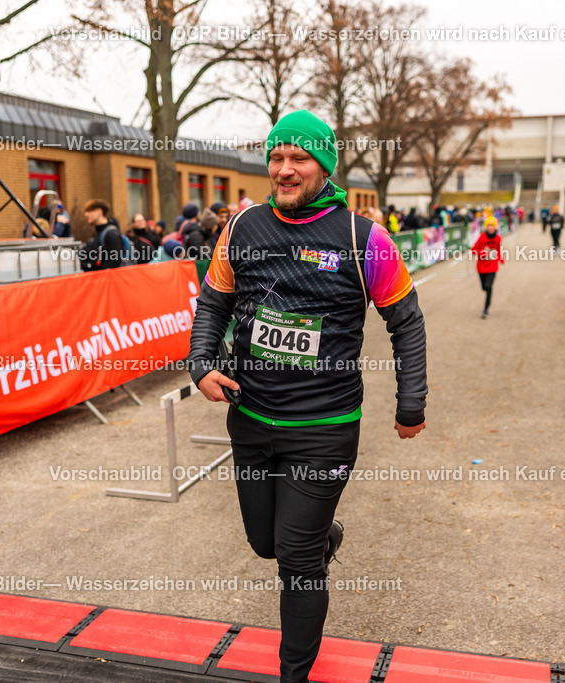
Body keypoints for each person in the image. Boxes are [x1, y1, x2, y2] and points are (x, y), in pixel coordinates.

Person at [187, 110, 427, 683]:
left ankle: (293, 676)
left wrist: (409, 401)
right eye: (276, 157)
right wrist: (200, 365)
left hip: (324, 425)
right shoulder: (241, 228)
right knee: (265, 545)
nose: (285, 170)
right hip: (249, 416)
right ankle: (326, 535)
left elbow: (407, 322)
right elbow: (214, 303)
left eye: (299, 159)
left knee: (295, 563)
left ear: (324, 166)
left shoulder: (362, 237)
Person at [471, 215, 504, 319]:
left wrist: (500, 257)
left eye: (492, 226)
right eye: (489, 226)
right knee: (484, 287)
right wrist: (483, 253)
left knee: (489, 287)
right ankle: (486, 291)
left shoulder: (498, 238)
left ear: (495, 227)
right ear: (486, 227)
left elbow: (498, 249)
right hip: (481, 267)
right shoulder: (482, 237)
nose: (490, 228)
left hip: (492, 266)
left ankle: (485, 309)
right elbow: (473, 250)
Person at [80, 199, 127, 271]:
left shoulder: (111, 234)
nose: (86, 214)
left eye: (89, 211)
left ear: (99, 212)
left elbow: (113, 265)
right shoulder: (98, 232)